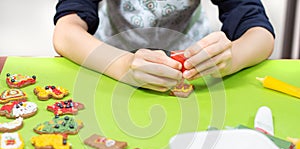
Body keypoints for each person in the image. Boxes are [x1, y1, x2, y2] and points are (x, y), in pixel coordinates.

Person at [53, 0, 275, 92]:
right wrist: (123, 66)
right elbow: (66, 33)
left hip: (193, 69)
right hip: (112, 59)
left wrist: (232, 57)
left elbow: (260, 34)